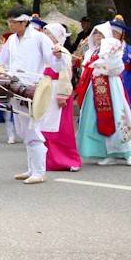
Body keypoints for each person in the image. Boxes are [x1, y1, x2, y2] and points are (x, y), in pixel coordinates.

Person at [0, 6, 64, 185]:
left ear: (24, 22)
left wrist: (57, 56)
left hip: (33, 89)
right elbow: (1, 62)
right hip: (14, 87)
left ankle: (40, 171)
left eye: (14, 22)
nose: (10, 25)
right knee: (22, 129)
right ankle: (31, 169)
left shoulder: (39, 38)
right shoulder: (11, 40)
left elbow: (55, 64)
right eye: (9, 21)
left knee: (33, 129)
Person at [75, 24, 131, 165]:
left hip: (111, 86)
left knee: (118, 116)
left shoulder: (113, 48)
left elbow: (117, 68)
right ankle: (106, 152)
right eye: (95, 34)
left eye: (100, 35)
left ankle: (128, 152)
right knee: (95, 118)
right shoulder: (91, 52)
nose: (97, 37)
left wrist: (102, 66)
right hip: (95, 88)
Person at [41, 23, 81, 172]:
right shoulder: (45, 51)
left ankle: (67, 160)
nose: (46, 37)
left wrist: (62, 94)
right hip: (45, 92)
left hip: (58, 93)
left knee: (60, 129)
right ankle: (47, 160)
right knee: (44, 127)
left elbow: (65, 75)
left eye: (49, 34)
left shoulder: (62, 51)